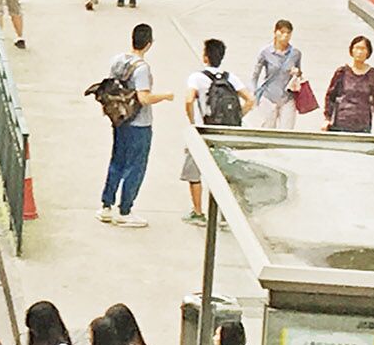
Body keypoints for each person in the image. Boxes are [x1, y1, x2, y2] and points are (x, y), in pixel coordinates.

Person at [99, 24, 171, 227]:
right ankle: (125, 210)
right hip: (139, 123)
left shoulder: (118, 60)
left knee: (117, 161)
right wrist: (165, 96)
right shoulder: (142, 68)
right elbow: (144, 98)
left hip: (120, 119)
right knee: (136, 166)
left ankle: (106, 205)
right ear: (149, 44)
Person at [182, 39, 251, 224]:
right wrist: (237, 118)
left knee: (194, 171)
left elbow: (189, 100)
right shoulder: (230, 78)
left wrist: (192, 120)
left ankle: (198, 212)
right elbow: (250, 100)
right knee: (223, 172)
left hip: (203, 129)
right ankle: (223, 216)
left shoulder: (196, 77)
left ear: (205, 57)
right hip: (224, 132)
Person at [323, 36, 374, 133]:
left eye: (363, 49)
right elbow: (330, 96)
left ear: (368, 52)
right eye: (357, 48)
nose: (359, 52)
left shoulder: (372, 74)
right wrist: (327, 118)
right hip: (342, 120)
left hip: (363, 123)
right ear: (351, 50)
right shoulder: (342, 72)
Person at [250, 20, 305, 128]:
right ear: (275, 32)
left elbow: (299, 75)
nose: (285, 36)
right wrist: (254, 93)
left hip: (287, 98)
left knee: (287, 131)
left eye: (288, 33)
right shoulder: (265, 52)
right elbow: (255, 75)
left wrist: (297, 73)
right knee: (267, 129)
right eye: (282, 32)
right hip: (269, 97)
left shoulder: (295, 53)